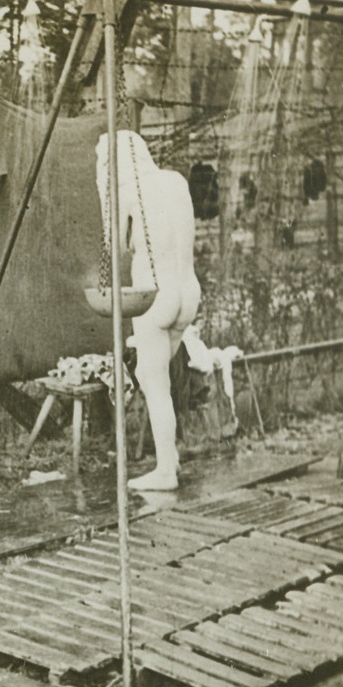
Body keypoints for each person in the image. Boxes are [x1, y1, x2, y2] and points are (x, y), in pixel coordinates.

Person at [96, 130, 201, 491]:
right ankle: (168, 461)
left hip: (155, 295)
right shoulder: (175, 181)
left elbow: (115, 244)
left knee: (154, 383)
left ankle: (165, 472)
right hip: (188, 291)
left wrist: (103, 187)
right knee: (160, 381)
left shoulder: (126, 192)